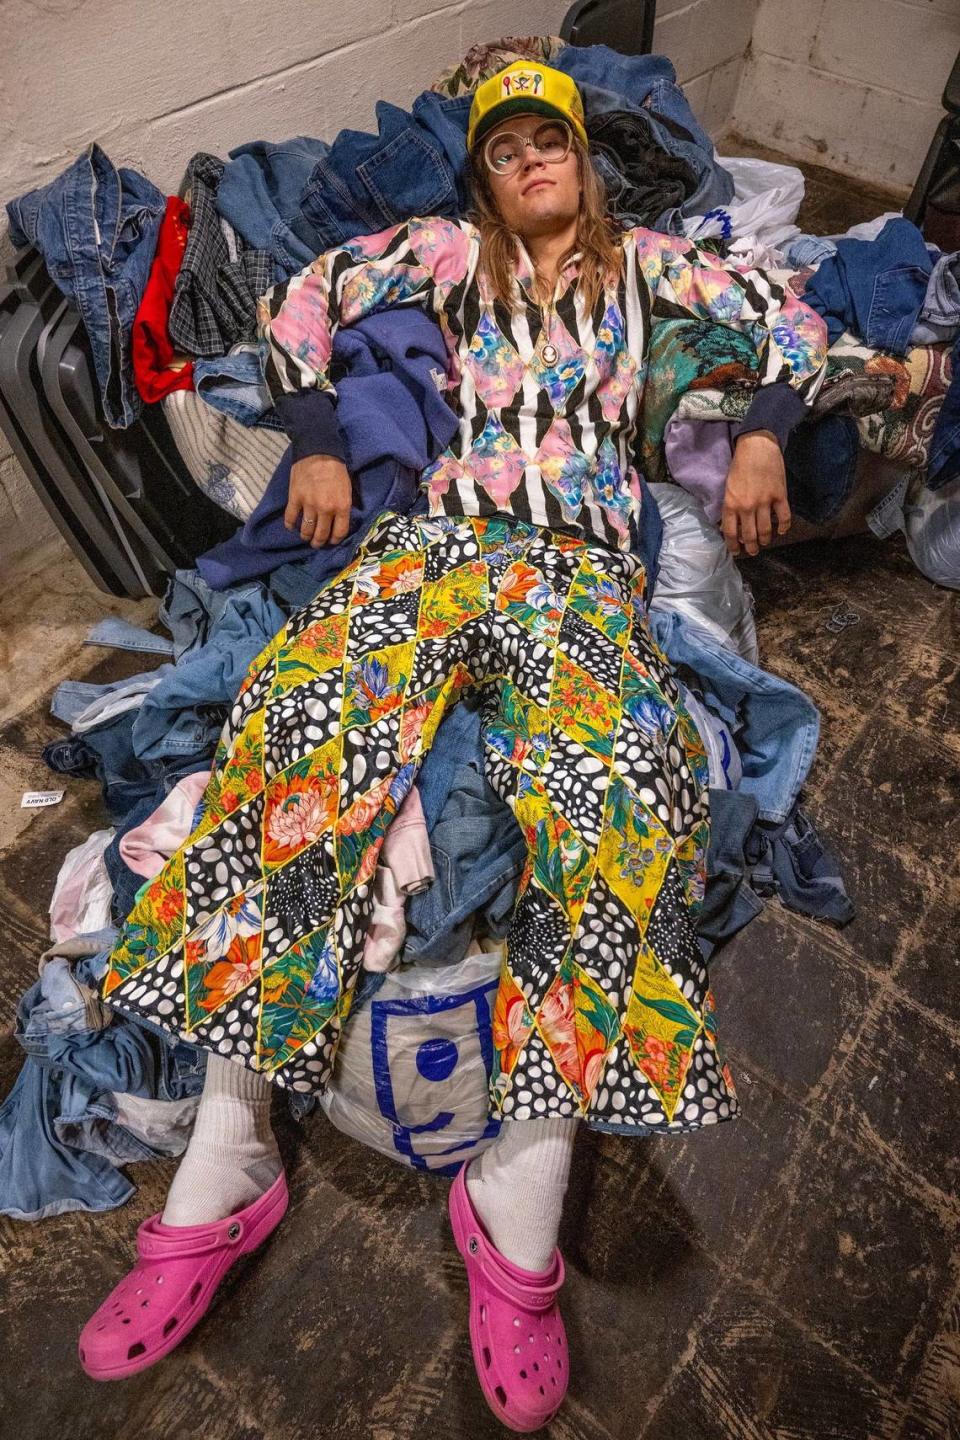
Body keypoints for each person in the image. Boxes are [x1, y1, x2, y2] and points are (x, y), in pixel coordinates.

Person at [78, 61, 827, 1429]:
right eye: (507, 150)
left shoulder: (652, 265)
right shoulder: (438, 253)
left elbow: (791, 318)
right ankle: (230, 1159)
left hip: (575, 573)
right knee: (300, 730)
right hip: (432, 552)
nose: (534, 163)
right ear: (479, 174)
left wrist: (766, 431)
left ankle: (521, 1189)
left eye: (555, 143)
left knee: (622, 785)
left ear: (586, 160)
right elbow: (303, 296)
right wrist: (311, 436)